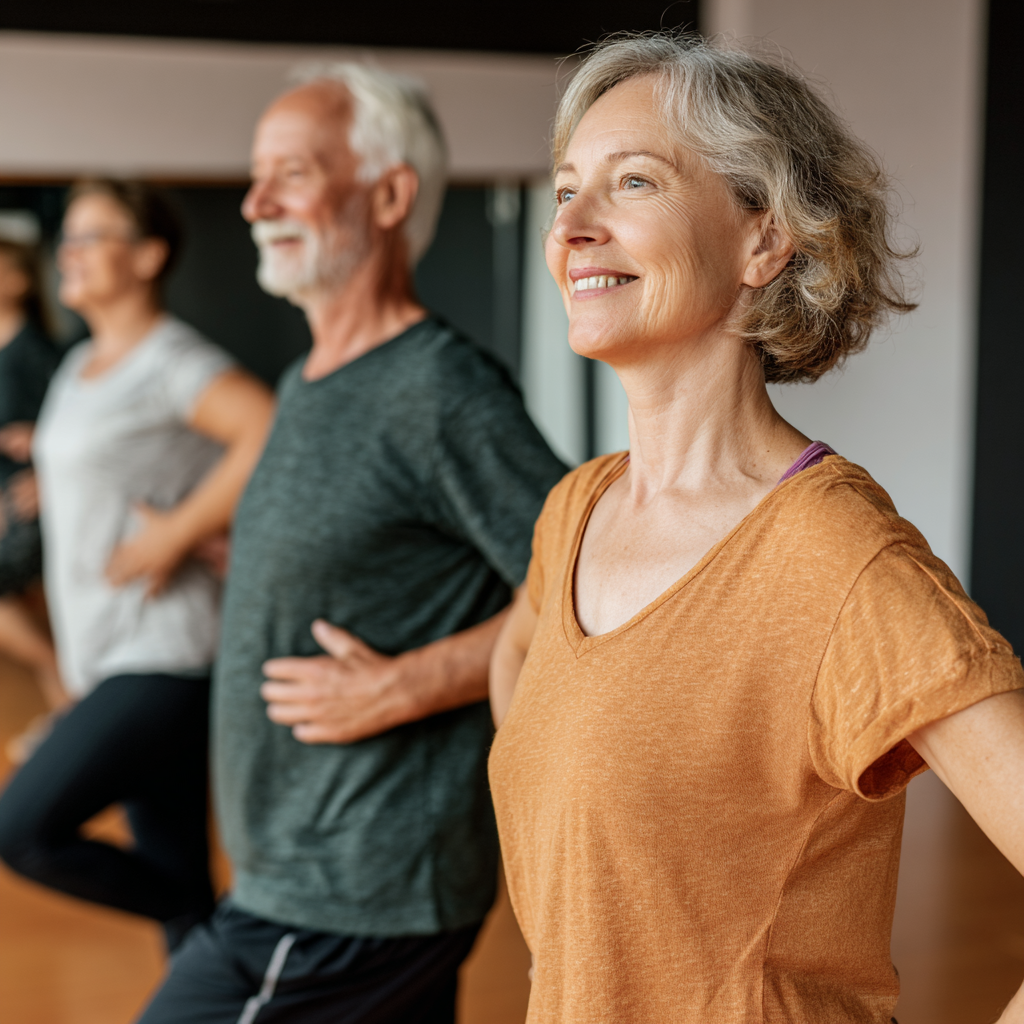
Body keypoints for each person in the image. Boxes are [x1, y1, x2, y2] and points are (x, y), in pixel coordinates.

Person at [487, 32, 1024, 1024]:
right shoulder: (579, 509)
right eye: (567, 191)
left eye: (633, 182)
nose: (572, 228)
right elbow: (519, 668)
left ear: (763, 240)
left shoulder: (837, 561)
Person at [135, 64, 567, 1024]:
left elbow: (587, 582)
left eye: (291, 172)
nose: (255, 203)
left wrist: (407, 681)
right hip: (297, 862)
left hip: (355, 885)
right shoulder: (304, 380)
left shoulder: (439, 390)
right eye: (258, 176)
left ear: (389, 193)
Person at [0, 180, 276, 950]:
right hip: (106, 648)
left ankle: (238, 932)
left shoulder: (170, 360)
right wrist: (39, 481)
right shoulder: (82, 362)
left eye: (94, 236)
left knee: (22, 830)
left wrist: (177, 532)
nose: (70, 252)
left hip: (163, 655)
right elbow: (104, 462)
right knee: (176, 888)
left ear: (149, 256)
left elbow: (265, 427)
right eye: (70, 237)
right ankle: (215, 946)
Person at [0, 234, 64, 761]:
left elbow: (73, 429)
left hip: (31, 505)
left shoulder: (37, 352)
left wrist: (43, 455)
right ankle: (66, 705)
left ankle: (68, 691)